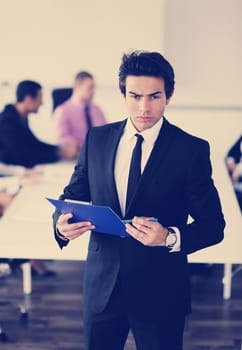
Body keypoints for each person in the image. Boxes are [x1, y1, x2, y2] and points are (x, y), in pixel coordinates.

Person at [53, 51, 225, 350]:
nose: (144, 106)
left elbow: (213, 225)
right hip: (102, 291)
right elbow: (72, 196)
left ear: (168, 96)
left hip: (160, 293)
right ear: (123, 95)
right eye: (135, 96)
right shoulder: (97, 139)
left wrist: (170, 237)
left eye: (154, 97)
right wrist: (60, 225)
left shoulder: (191, 150)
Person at [0, 80, 60, 168]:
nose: (41, 103)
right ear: (28, 99)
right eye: (39, 98)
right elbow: (20, 155)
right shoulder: (7, 121)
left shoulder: (20, 117)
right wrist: (56, 154)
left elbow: (34, 143)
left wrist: (58, 149)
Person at [54, 71, 107, 159]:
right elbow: (61, 138)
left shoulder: (97, 110)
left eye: (93, 88)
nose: (93, 92)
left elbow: (106, 134)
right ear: (77, 87)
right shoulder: (63, 110)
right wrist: (82, 146)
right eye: (89, 88)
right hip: (75, 159)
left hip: (98, 157)